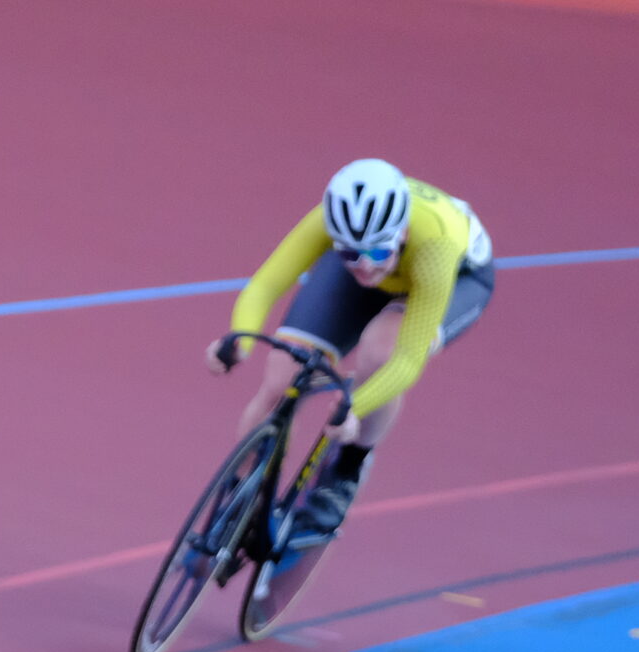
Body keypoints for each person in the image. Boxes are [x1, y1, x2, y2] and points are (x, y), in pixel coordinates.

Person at [210, 158, 495, 538]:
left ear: (403, 233)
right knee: (282, 378)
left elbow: (407, 361)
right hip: (392, 265)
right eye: (348, 255)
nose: (364, 269)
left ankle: (348, 466)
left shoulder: (435, 246)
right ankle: (243, 490)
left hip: (457, 279)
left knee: (381, 351)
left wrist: (354, 407)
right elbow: (264, 285)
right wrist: (240, 341)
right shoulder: (330, 223)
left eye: (377, 254)